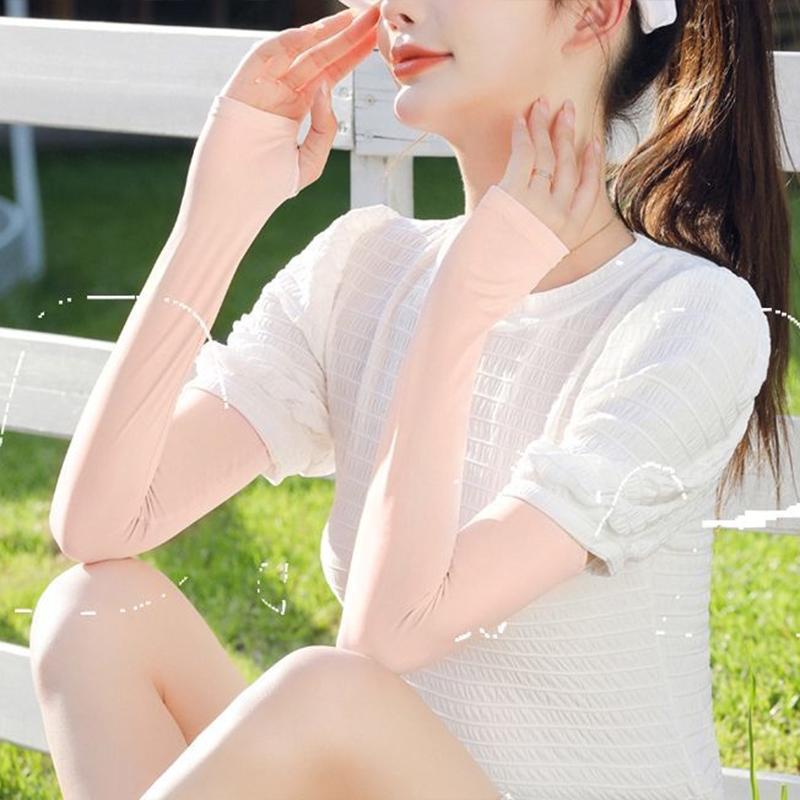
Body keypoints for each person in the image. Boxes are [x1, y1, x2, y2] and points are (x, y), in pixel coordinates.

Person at [28, 1, 791, 798]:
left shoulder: (687, 318)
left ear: (594, 11)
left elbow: (389, 636)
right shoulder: (364, 268)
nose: (398, 7)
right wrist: (218, 209)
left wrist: (463, 302)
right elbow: (99, 524)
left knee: (327, 693)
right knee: (90, 614)